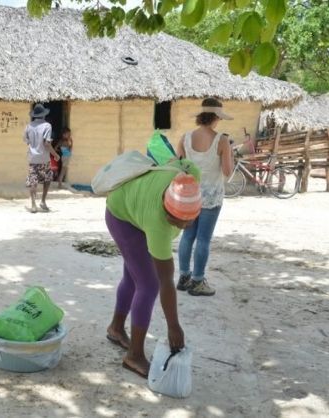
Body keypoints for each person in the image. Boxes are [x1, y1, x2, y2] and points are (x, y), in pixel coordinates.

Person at [104, 158, 201, 378]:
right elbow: (165, 280)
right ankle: (134, 355)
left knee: (133, 275)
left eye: (187, 222)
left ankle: (116, 328)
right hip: (121, 216)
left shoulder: (189, 178)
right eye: (174, 220)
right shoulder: (158, 223)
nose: (180, 226)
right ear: (166, 207)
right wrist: (173, 326)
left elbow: (177, 160)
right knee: (148, 284)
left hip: (133, 204)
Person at [175, 98, 235, 297]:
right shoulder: (222, 140)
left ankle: (184, 277)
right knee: (203, 240)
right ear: (217, 117)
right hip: (211, 197)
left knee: (188, 236)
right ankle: (198, 280)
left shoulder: (185, 138)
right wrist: (231, 154)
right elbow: (227, 171)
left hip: (189, 196)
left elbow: (179, 166)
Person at [24, 103, 60, 213]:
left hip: (32, 158)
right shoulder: (47, 126)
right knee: (47, 179)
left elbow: (26, 141)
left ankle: (33, 205)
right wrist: (55, 155)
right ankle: (43, 201)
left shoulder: (28, 126)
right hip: (44, 158)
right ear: (44, 115)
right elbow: (47, 144)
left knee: (33, 180)